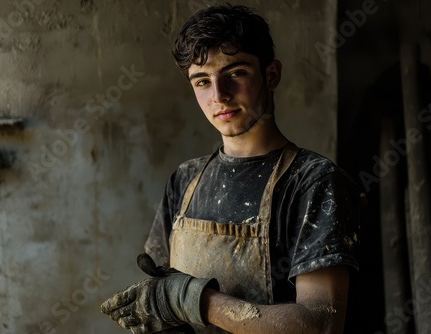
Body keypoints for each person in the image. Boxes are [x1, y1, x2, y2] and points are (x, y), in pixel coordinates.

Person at [101, 4, 360, 334]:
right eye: (202, 81)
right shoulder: (185, 180)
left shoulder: (313, 182)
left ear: (271, 75)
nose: (219, 96)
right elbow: (162, 302)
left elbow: (320, 325)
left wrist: (192, 299)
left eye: (236, 73)